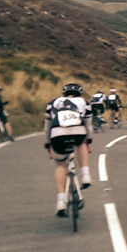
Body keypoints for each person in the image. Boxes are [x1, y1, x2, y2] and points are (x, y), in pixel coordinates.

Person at [45, 83, 92, 216]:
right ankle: (86, 175)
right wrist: (88, 139)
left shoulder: (52, 103)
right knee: (81, 143)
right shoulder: (84, 102)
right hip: (77, 131)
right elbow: (88, 126)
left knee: (60, 165)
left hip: (57, 133)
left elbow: (47, 127)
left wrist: (48, 142)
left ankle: (61, 201)